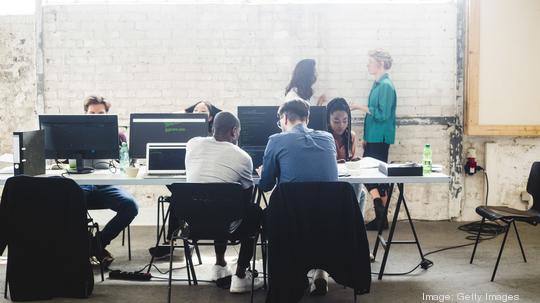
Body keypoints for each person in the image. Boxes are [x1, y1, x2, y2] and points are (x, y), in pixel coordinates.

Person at [258, 99, 337, 296]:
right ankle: (317, 269)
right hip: (326, 221)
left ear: (284, 118)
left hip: (289, 224)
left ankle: (289, 278)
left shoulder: (276, 140)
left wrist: (263, 172)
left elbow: (266, 185)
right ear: (307, 118)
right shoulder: (328, 138)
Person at [182, 111, 263, 293]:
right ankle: (241, 276)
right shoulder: (243, 157)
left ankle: (219, 265)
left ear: (213, 129)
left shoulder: (192, 144)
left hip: (193, 223)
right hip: (225, 222)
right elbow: (245, 199)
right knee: (252, 210)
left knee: (215, 203)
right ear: (234, 131)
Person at [82, 96, 139, 266]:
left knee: (130, 206)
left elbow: (127, 161)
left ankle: (96, 244)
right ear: (85, 114)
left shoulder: (118, 135)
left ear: (107, 114)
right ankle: (83, 247)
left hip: (106, 184)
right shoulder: (74, 132)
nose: (96, 117)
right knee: (71, 203)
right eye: (92, 113)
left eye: (101, 113)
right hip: (80, 183)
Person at [350, 49, 397, 231]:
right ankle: (381, 218)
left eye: (371, 62)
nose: (368, 65)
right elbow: (374, 115)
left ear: (381, 64)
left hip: (380, 137)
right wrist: (367, 138)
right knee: (375, 176)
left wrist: (358, 106)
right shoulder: (377, 84)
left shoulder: (385, 85)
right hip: (374, 137)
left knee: (371, 174)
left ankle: (379, 209)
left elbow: (382, 114)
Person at [326, 97, 366, 215]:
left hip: (345, 180)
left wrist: (354, 161)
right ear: (328, 120)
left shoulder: (351, 136)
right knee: (358, 189)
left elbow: (350, 159)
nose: (341, 125)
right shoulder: (324, 137)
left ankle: (355, 224)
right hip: (330, 181)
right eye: (336, 121)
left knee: (361, 191)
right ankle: (352, 220)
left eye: (345, 120)